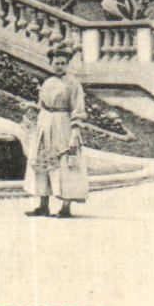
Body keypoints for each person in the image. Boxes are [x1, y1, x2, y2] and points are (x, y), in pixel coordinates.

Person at [24, 44, 90, 218]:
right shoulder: (48, 82)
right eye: (56, 63)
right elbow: (42, 104)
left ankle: (66, 207)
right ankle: (43, 204)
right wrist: (32, 108)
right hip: (45, 124)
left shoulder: (73, 84)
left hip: (63, 124)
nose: (59, 66)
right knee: (42, 161)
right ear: (51, 63)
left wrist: (75, 132)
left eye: (63, 63)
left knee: (64, 163)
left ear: (67, 64)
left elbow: (77, 108)